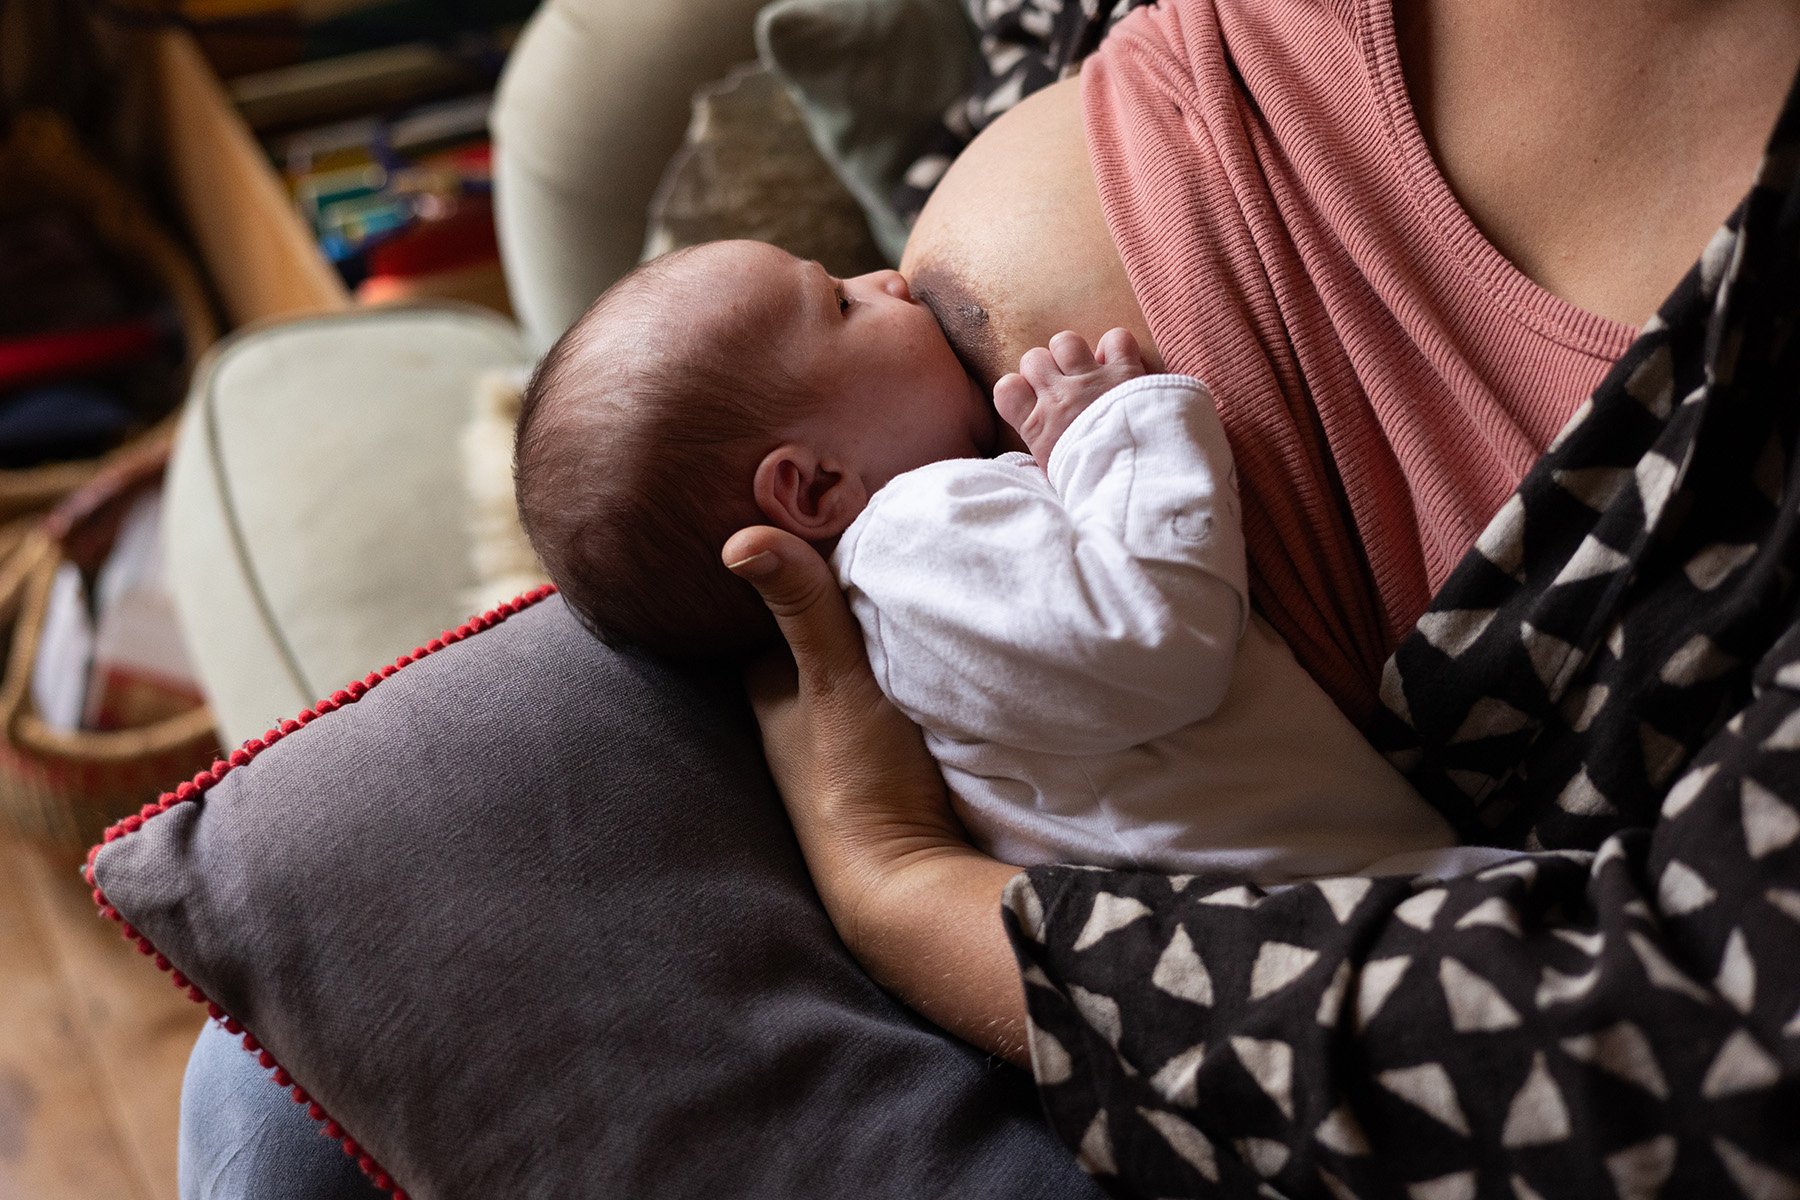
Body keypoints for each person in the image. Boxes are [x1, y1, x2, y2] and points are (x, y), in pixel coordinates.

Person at [175, 0, 1800, 1194]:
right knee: (289, 1052)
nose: (879, 278)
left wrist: (913, 900)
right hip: (852, 633)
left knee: (291, 1109)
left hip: (1217, 930)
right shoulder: (868, 520)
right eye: (844, 290)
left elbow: (1681, 1041)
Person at [514, 237, 1452, 878]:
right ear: (812, 492)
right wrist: (1114, 428)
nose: (885, 278)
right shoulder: (910, 544)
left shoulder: (930, 584)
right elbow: (1151, 637)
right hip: (1369, 902)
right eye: (839, 302)